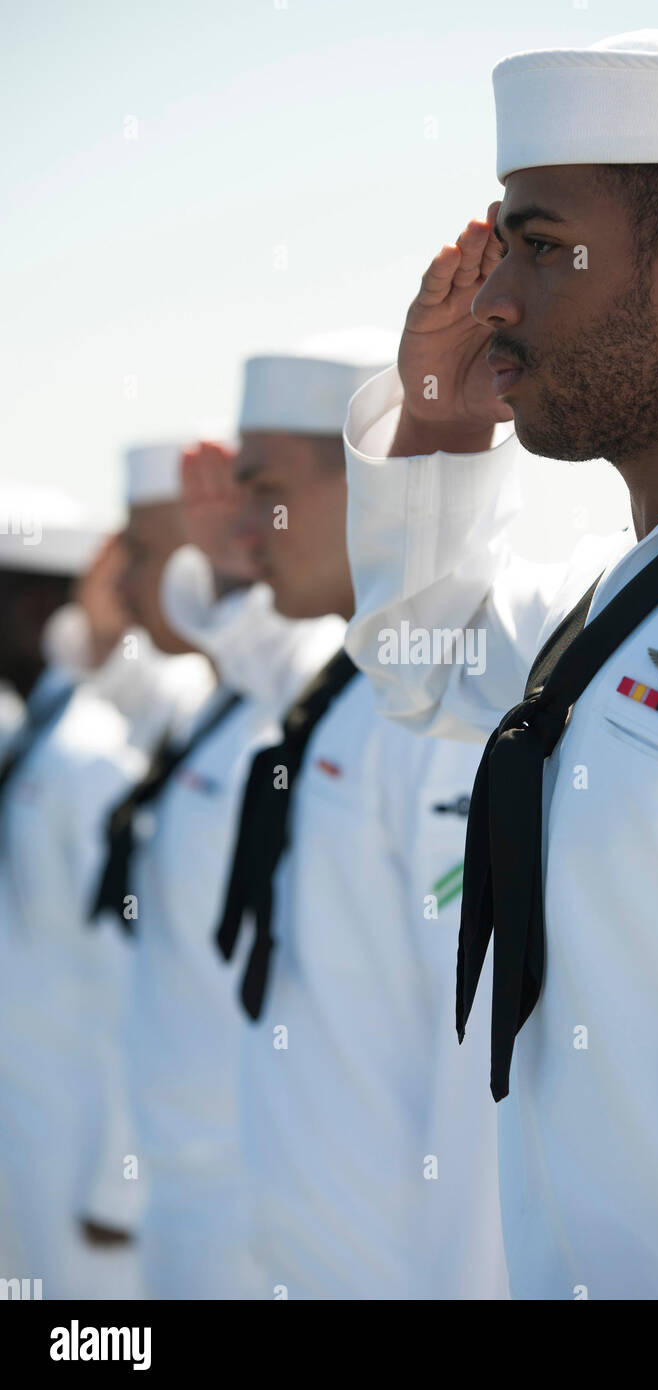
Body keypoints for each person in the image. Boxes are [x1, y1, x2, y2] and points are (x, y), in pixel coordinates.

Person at [341, 31, 658, 1299]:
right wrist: (440, 426)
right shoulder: (630, 602)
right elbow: (427, 659)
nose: (493, 300)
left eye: (536, 244)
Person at [189, 334, 509, 1298]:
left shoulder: (445, 719)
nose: (245, 531)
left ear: (367, 486)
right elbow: (232, 634)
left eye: (264, 491)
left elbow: (477, 1089)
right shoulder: (340, 683)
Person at [101, 428, 343, 1298]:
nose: (130, 586)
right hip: (185, 1183)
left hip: (251, 1202)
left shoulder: (284, 717)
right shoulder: (217, 711)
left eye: (143, 555)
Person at [0, 484, 145, 1299]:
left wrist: (119, 1184)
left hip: (85, 1156)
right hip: (27, 1137)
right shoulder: (32, 739)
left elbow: (136, 976)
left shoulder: (89, 759)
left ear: (29, 607)